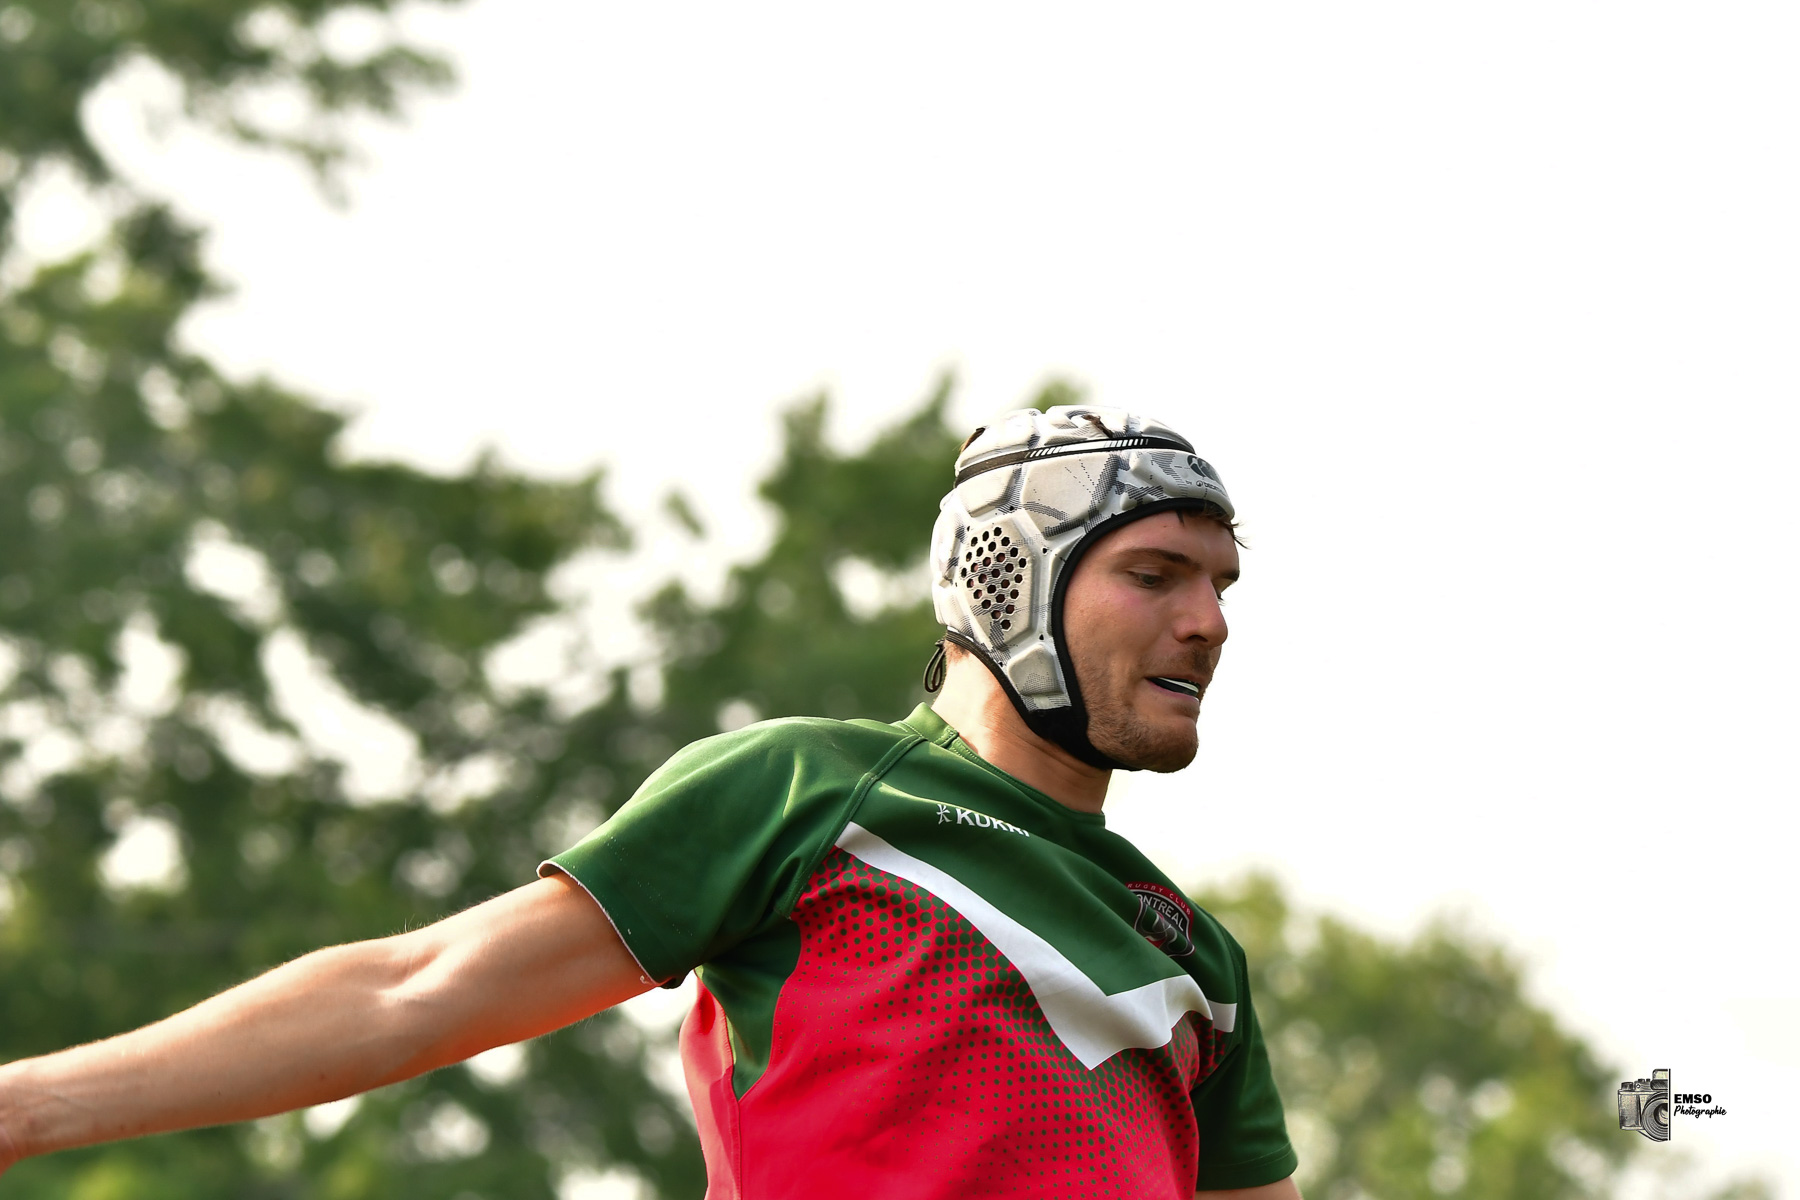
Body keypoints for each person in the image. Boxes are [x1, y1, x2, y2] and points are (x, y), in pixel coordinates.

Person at [0, 405, 1301, 1198]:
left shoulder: (1190, 953)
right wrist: (26, 1108)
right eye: (1156, 574)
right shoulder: (812, 795)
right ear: (1008, 581)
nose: (1208, 623)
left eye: (1222, 585)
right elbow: (417, 987)